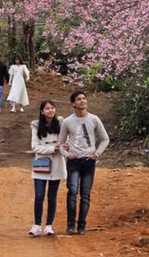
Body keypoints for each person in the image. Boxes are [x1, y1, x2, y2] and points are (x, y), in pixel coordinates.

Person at [58, 90, 109, 235]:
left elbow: (105, 138)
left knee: (85, 194)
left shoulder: (94, 119)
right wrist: (66, 155)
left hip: (88, 161)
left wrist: (96, 154)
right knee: (72, 191)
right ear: (73, 104)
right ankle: (70, 225)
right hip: (74, 161)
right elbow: (60, 142)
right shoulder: (68, 121)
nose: (82, 101)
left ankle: (82, 225)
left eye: (84, 98)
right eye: (79, 99)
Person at [29, 100, 68, 237]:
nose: (50, 110)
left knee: (52, 197)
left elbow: (66, 141)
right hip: (42, 164)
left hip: (57, 164)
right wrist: (52, 148)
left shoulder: (61, 124)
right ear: (42, 111)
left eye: (52, 108)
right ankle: (37, 225)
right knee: (39, 196)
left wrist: (63, 147)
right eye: (47, 108)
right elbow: (35, 146)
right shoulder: (36, 126)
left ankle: (49, 225)